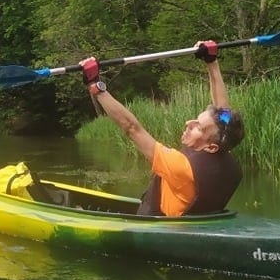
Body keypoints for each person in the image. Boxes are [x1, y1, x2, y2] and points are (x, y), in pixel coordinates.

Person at [79, 40, 244, 216]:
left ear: (211, 147)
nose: (189, 124)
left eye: (199, 127)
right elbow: (224, 113)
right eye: (196, 119)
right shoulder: (225, 145)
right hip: (191, 227)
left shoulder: (180, 167)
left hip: (158, 229)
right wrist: (212, 62)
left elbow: (131, 128)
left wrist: (96, 87)